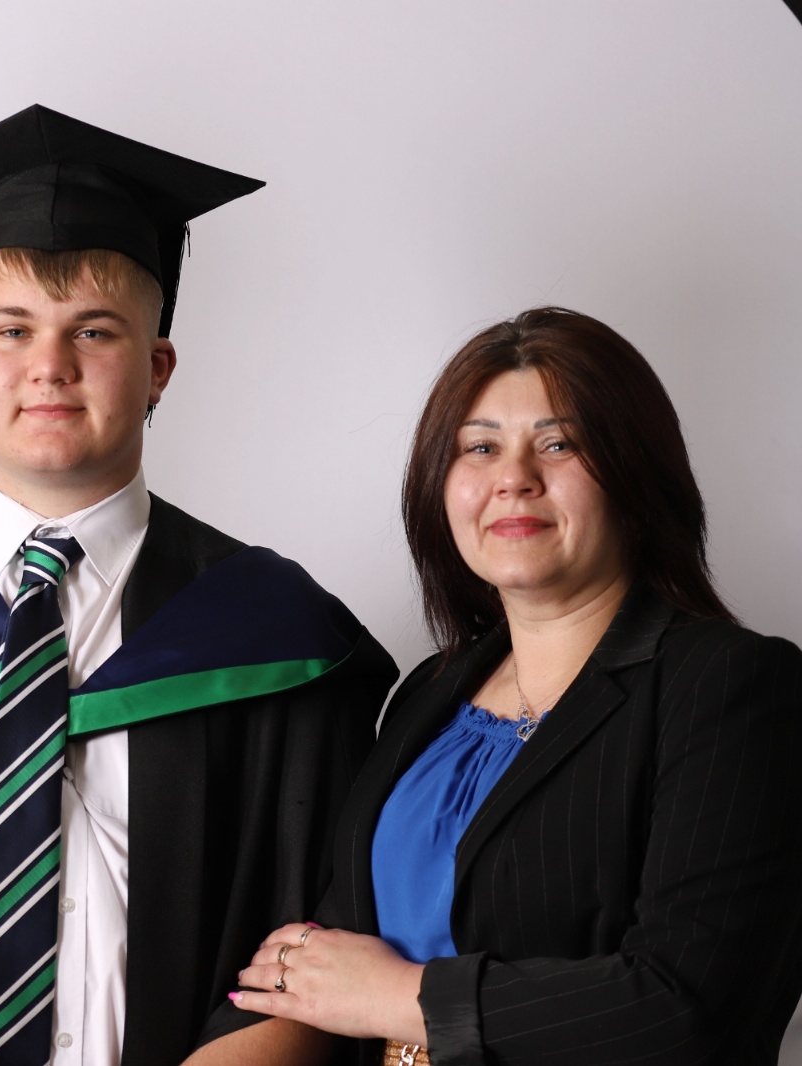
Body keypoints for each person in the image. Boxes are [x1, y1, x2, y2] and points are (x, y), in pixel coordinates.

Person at [0, 104, 397, 1066]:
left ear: (158, 368)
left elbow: (318, 932)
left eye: (93, 331)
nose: (49, 366)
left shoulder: (285, 641)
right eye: (12, 330)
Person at [231, 307, 802, 1064]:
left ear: (636, 475)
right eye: (480, 447)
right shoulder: (429, 694)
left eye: (559, 444)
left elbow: (690, 1009)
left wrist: (400, 997)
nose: (513, 480)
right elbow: (322, 960)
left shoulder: (732, 686)